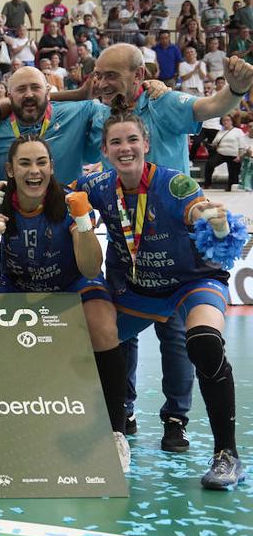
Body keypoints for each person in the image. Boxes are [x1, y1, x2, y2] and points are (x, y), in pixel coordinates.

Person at [73, 102, 244, 489]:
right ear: (105, 151)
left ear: (146, 144)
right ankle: (110, 430)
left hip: (191, 284)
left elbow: (198, 210)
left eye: (132, 139)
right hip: (136, 291)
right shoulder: (98, 186)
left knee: (202, 343)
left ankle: (226, 455)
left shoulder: (173, 183)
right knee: (85, 338)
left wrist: (210, 219)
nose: (125, 147)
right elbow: (61, 196)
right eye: (115, 142)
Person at [0, 136, 128, 469]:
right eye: (25, 163)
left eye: (41, 162)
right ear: (10, 169)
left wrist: (83, 223)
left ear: (51, 168)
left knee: (103, 324)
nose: (34, 170)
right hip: (17, 287)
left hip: (73, 285)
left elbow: (90, 268)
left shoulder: (70, 202)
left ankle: (115, 431)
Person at [204, 115, 247, 190]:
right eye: (224, 120)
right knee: (209, 164)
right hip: (221, 153)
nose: (225, 122)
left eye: (228, 120)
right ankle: (207, 184)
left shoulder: (238, 131)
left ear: (232, 121)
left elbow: (242, 146)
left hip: (234, 154)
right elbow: (214, 143)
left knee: (233, 173)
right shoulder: (220, 132)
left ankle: (231, 187)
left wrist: (239, 156)